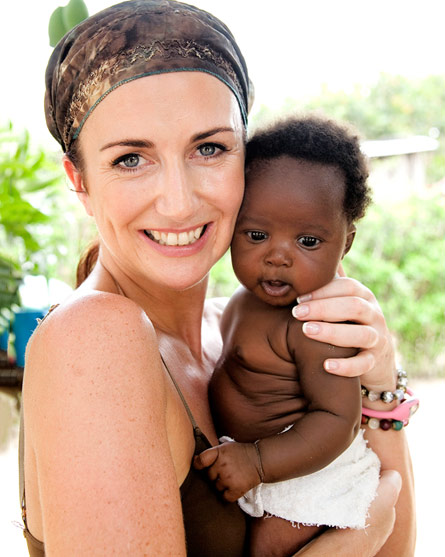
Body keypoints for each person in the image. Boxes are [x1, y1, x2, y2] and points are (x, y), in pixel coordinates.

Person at [20, 2, 413, 555]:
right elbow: (374, 532)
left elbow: (399, 546)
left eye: (209, 148)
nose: (179, 203)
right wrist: (357, 536)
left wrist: (379, 381)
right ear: (79, 180)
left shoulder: (230, 328)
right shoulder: (94, 338)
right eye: (131, 158)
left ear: (245, 158)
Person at [202, 116, 387, 556]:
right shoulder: (242, 301)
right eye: (257, 234)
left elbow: (336, 420)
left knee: (269, 547)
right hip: (264, 462)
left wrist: (258, 461)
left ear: (345, 244)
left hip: (308, 475)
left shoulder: (317, 326)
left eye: (307, 240)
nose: (277, 256)